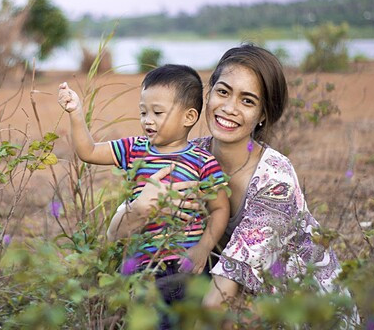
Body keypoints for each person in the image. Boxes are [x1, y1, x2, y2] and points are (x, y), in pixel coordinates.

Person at [107, 45, 359, 327]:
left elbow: (220, 298)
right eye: (223, 92)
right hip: (228, 298)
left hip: (300, 310)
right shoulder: (190, 157)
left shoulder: (275, 180)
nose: (229, 108)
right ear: (209, 92)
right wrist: (139, 207)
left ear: (263, 115)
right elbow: (114, 236)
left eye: (247, 101)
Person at [58, 64, 229, 277]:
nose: (147, 120)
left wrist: (204, 248)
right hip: (138, 265)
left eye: (157, 112)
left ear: (189, 117)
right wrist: (75, 112)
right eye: (143, 112)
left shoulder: (203, 161)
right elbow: (89, 151)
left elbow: (220, 209)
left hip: (183, 264)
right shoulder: (134, 148)